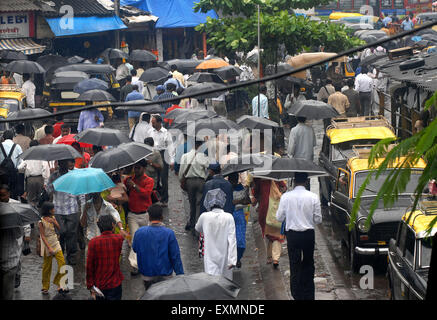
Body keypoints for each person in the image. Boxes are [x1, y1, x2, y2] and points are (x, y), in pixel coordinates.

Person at [276, 172, 322, 300]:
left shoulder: (286, 197)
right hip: (308, 235)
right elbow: (318, 220)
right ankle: (308, 293)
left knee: (294, 263)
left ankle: (296, 294)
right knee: (308, 262)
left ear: (294, 181)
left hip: (293, 235)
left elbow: (279, 217)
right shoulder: (313, 197)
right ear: (307, 181)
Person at [132, 203, 184, 290]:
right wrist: (180, 274)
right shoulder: (169, 233)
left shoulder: (140, 232)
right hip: (165, 275)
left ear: (149, 217)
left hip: (147, 273)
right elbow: (175, 255)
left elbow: (135, 248)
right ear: (162, 217)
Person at [46, 159, 85, 265]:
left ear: (67, 164)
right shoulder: (53, 176)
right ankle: (61, 251)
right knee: (61, 232)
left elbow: (80, 192)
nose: (63, 165)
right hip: (58, 209)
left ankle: (72, 255)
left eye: (65, 163)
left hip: (72, 209)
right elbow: (48, 190)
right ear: (58, 164)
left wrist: (82, 208)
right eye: (61, 163)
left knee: (71, 233)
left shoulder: (74, 176)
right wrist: (53, 186)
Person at [195, 188, 237, 280]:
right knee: (225, 283)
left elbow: (197, 228)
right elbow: (232, 239)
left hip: (210, 255)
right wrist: (232, 260)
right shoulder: (229, 217)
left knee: (212, 282)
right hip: (225, 255)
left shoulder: (204, 216)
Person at [124, 159, 155, 275]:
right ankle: (134, 265)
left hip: (146, 214)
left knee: (147, 240)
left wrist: (134, 186)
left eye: (138, 168)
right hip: (132, 215)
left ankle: (147, 262)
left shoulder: (149, 180)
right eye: (135, 168)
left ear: (144, 168)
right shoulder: (128, 180)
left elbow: (146, 194)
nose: (136, 170)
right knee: (135, 239)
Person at [0, 184, 30, 299]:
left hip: (11, 256)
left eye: (4, 195)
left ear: (8, 194)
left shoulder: (17, 206)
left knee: (8, 293)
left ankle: (17, 276)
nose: (2, 198)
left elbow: (25, 223)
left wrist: (27, 234)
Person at [86, 215, 125, 300]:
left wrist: (90, 285)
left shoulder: (93, 242)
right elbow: (124, 236)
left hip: (99, 285)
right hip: (115, 283)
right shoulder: (118, 239)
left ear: (99, 226)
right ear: (112, 225)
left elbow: (89, 266)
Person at [179, 139, 210, 231]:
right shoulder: (203, 156)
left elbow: (181, 171)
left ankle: (192, 223)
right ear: (200, 146)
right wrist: (205, 178)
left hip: (189, 182)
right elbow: (208, 169)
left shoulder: (185, 156)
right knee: (199, 204)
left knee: (191, 203)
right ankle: (198, 224)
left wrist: (181, 181)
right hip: (200, 181)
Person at [38, 202, 67, 295]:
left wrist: (54, 222)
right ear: (49, 210)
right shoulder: (41, 221)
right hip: (47, 244)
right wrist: (49, 247)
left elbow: (60, 229)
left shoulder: (53, 218)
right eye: (53, 209)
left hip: (55, 242)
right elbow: (42, 236)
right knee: (47, 267)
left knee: (62, 263)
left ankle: (59, 282)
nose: (54, 210)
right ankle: (45, 286)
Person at [148, 115, 175, 207]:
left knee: (163, 178)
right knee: (153, 177)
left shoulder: (166, 133)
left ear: (159, 123)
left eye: (153, 122)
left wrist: (172, 160)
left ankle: (164, 199)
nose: (152, 124)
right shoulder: (150, 131)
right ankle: (154, 198)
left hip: (163, 154)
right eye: (151, 122)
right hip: (153, 154)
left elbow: (170, 147)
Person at [17, 140, 50, 207]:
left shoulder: (27, 156)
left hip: (30, 180)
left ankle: (32, 214)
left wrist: (26, 168)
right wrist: (46, 182)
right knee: (40, 199)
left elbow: (19, 167)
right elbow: (45, 168)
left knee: (31, 199)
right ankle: (40, 214)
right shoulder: (42, 156)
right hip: (40, 179)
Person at [228, 172, 251, 268]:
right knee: (229, 239)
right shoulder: (226, 188)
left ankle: (237, 258)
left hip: (238, 215)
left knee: (240, 241)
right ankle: (231, 259)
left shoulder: (241, 188)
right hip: (229, 215)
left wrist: (238, 201)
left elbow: (248, 201)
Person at [0, 130, 23, 199]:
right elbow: (21, 162)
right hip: (13, 174)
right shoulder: (17, 147)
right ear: (12, 137)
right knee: (13, 193)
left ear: (3, 137)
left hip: (1, 174)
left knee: (2, 193)